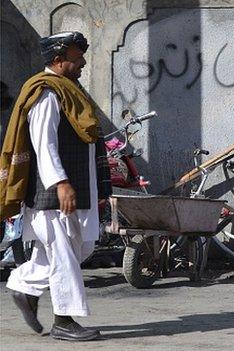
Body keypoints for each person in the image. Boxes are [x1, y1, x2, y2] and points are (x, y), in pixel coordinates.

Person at [0, 31, 111, 341]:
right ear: (59, 60)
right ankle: (64, 320)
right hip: (53, 191)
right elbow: (44, 144)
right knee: (63, 253)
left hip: (75, 187)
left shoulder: (69, 91)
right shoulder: (47, 94)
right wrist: (61, 182)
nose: (84, 63)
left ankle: (24, 286)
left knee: (81, 247)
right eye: (77, 58)